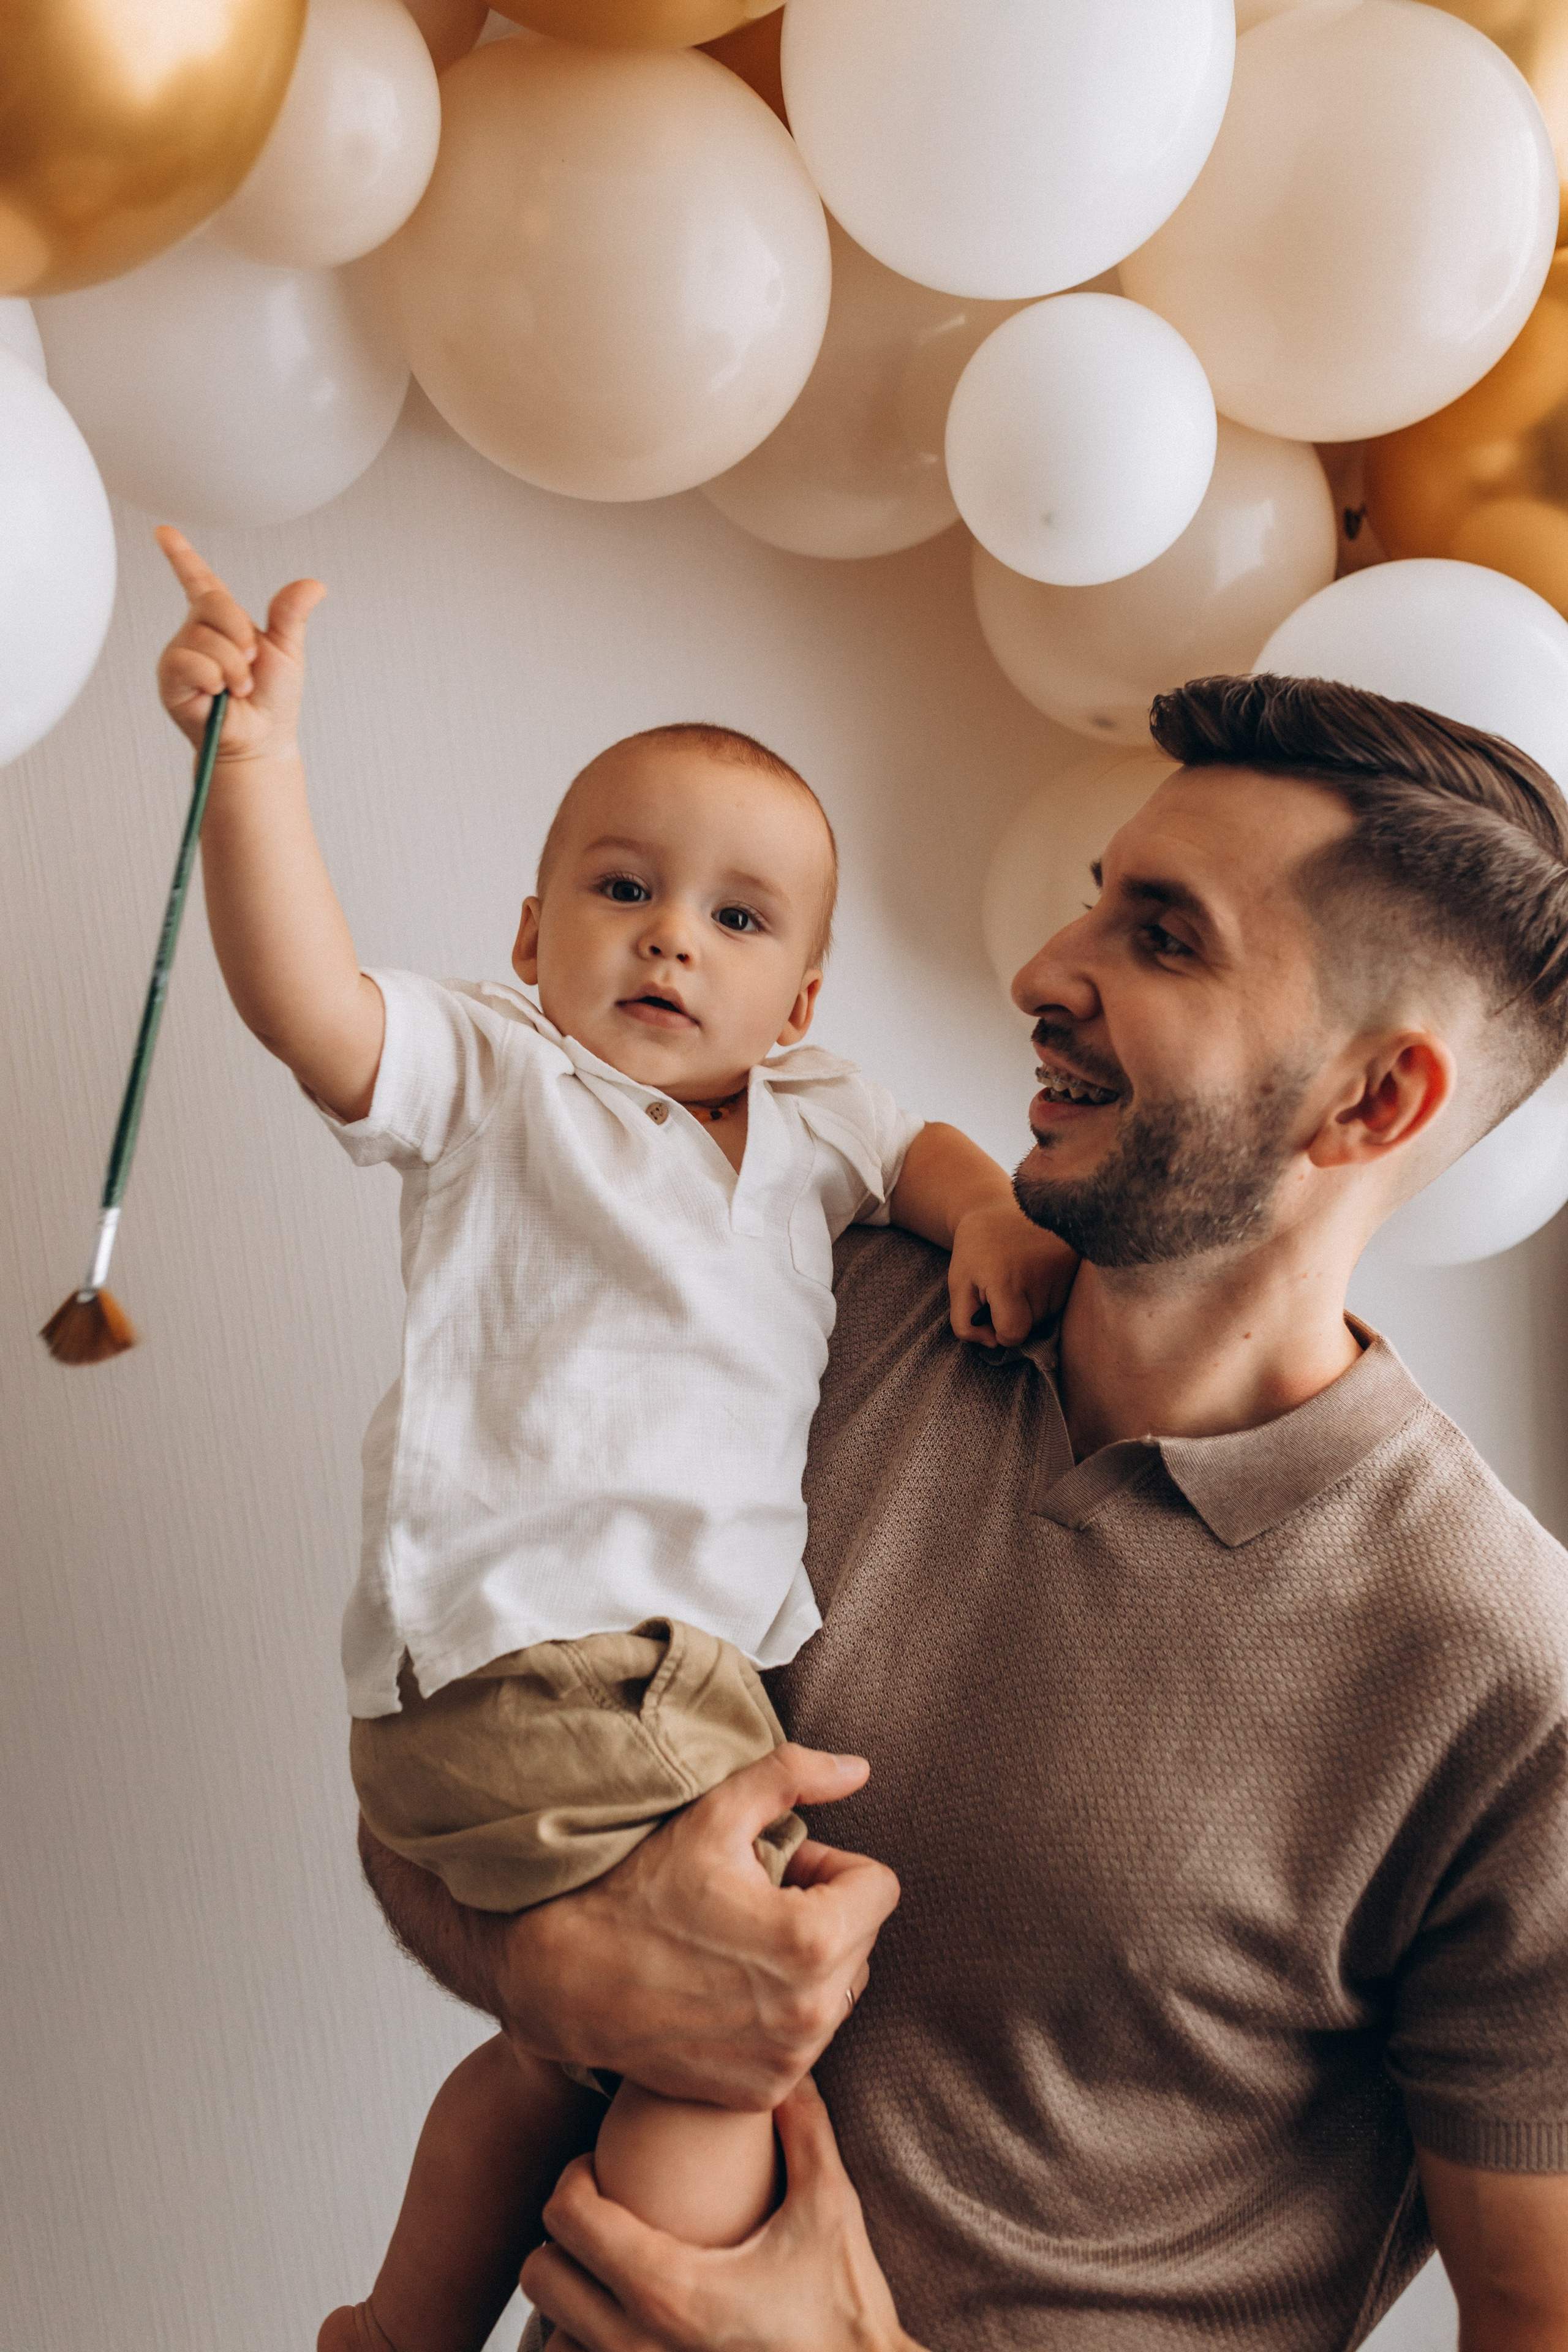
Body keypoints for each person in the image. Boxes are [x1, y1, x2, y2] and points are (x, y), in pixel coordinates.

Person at [361, 672, 1568, 2350]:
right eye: (1096, 898)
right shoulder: (804, 1302)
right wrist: (560, 1978)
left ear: (1375, 1103)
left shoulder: (1505, 1681)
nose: (1040, 973)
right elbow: (454, 1780)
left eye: (1162, 937)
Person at [149, 529, 1076, 2352]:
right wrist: (250, 776)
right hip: (547, 1657)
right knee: (738, 2030)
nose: (670, 935)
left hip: (656, 1678)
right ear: (529, 936)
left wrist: (984, 1220)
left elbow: (929, 1159)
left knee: (572, 2051)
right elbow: (312, 1012)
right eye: (622, 888)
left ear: (802, 1000)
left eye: (738, 919)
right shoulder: (504, 1073)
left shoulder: (816, 1114)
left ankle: (395, 2326)